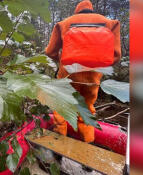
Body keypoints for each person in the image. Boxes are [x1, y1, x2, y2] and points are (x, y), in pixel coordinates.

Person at [45, 0, 121, 143]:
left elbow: (50, 51)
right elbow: (116, 55)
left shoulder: (63, 24)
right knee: (87, 109)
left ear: (77, 10)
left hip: (67, 74)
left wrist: (60, 60)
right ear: (91, 9)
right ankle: (87, 142)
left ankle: (59, 141)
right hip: (92, 78)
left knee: (61, 106)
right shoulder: (111, 23)